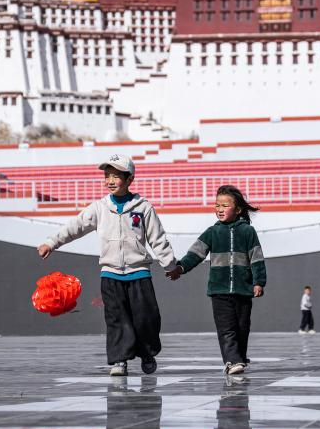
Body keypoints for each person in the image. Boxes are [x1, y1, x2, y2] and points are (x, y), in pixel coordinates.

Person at [38, 154, 177, 377]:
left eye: (116, 176)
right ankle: (119, 360)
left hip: (139, 273)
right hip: (111, 275)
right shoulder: (99, 208)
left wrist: (170, 265)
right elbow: (75, 226)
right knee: (116, 320)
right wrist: (52, 242)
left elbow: (157, 238)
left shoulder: (143, 207)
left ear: (130, 179)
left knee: (147, 319)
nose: (110, 181)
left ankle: (147, 353)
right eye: (107, 176)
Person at [172, 185, 266, 375]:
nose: (220, 209)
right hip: (219, 291)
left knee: (242, 328)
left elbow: (256, 258)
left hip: (243, 290)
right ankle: (232, 361)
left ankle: (240, 357)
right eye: (217, 205)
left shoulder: (248, 231)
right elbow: (195, 254)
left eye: (225, 205)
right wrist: (181, 268)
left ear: (237, 209)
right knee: (226, 328)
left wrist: (258, 282)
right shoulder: (211, 232)